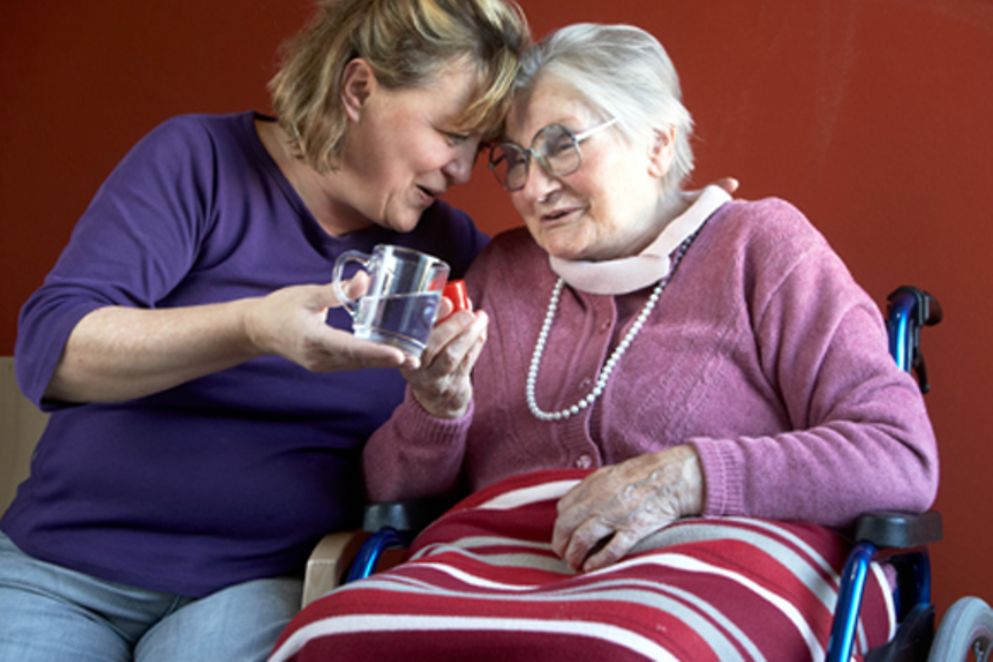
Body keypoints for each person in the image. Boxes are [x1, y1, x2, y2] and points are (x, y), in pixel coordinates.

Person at [270, 22, 939, 660]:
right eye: (515, 159)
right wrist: (435, 411)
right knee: (331, 638)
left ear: (656, 142)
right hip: (486, 568)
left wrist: (687, 477)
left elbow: (898, 455)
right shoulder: (502, 272)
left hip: (710, 563)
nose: (532, 187)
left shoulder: (759, 247)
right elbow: (389, 491)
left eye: (562, 144)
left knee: (618, 650)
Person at [0, 1, 528, 660]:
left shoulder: (447, 251)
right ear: (358, 88)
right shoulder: (199, 161)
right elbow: (54, 353)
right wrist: (251, 327)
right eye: (451, 134)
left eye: (478, 150)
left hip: (257, 585)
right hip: (62, 570)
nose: (459, 171)